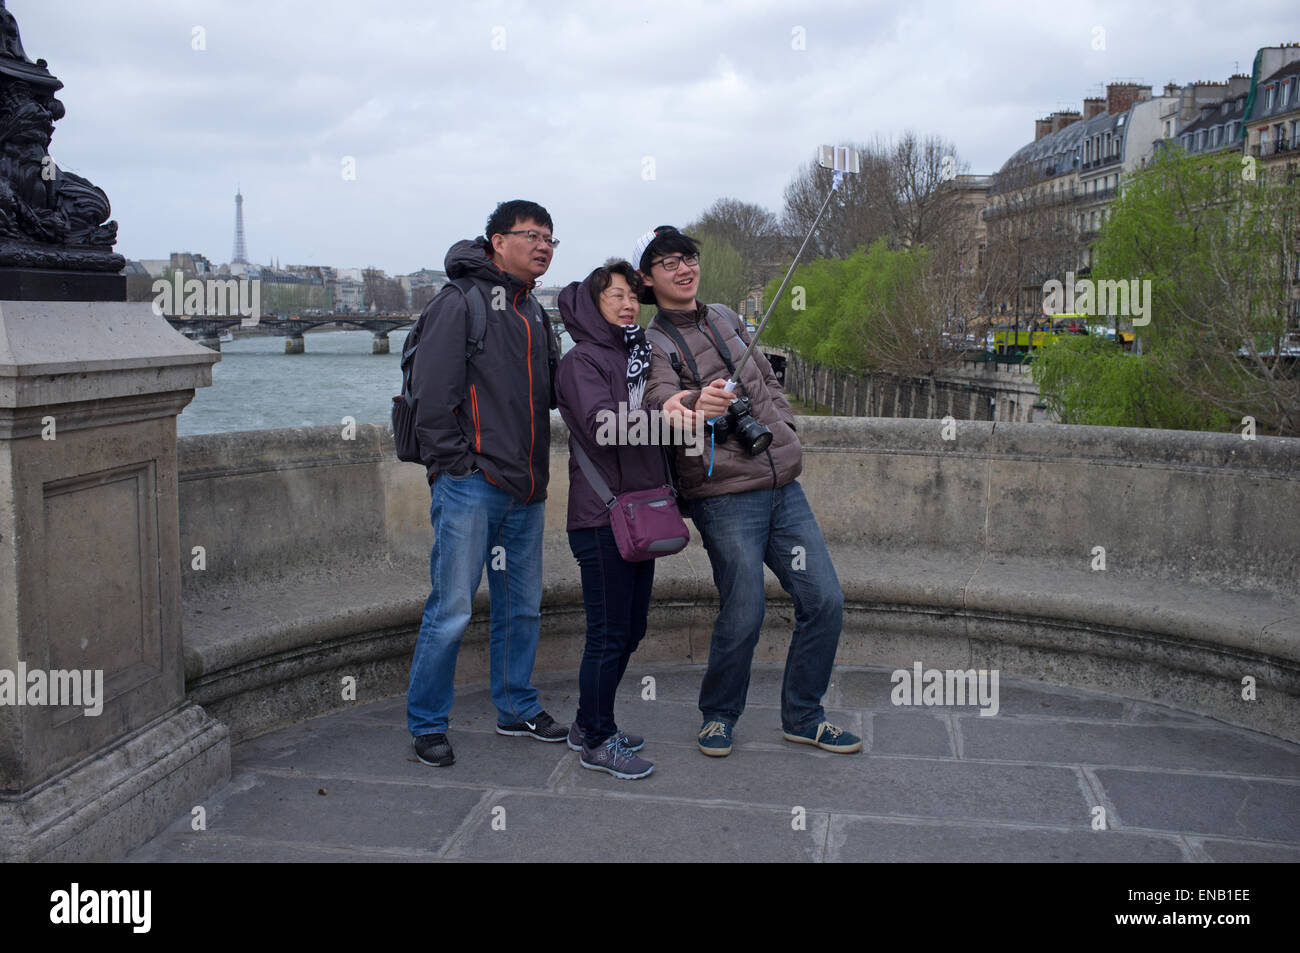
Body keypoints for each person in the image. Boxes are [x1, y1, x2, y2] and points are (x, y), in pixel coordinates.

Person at [636, 225, 861, 758]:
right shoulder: (654, 342)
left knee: (825, 600)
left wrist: (782, 425)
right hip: (724, 494)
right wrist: (695, 404)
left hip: (783, 483)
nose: (683, 268)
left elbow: (767, 379)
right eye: (668, 263)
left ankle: (804, 716)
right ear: (648, 279)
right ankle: (718, 716)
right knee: (744, 609)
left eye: (687, 257)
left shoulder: (728, 317)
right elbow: (658, 401)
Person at [405, 200, 567, 767]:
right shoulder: (461, 303)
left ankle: (516, 706)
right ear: (497, 241)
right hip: (472, 485)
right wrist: (460, 466)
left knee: (521, 607)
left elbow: (551, 397)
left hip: (526, 488)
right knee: (451, 608)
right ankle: (427, 722)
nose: (544, 245)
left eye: (550, 238)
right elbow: (430, 398)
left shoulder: (534, 313)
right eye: (532, 235)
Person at [554, 261, 694, 779]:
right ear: (594, 304)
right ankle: (597, 738)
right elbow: (601, 426)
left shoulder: (637, 356)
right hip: (601, 516)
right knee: (608, 634)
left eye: (633, 296)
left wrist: (695, 411)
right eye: (615, 296)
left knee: (631, 629)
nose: (629, 304)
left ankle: (586, 721)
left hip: (641, 513)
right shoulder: (581, 361)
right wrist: (670, 418)